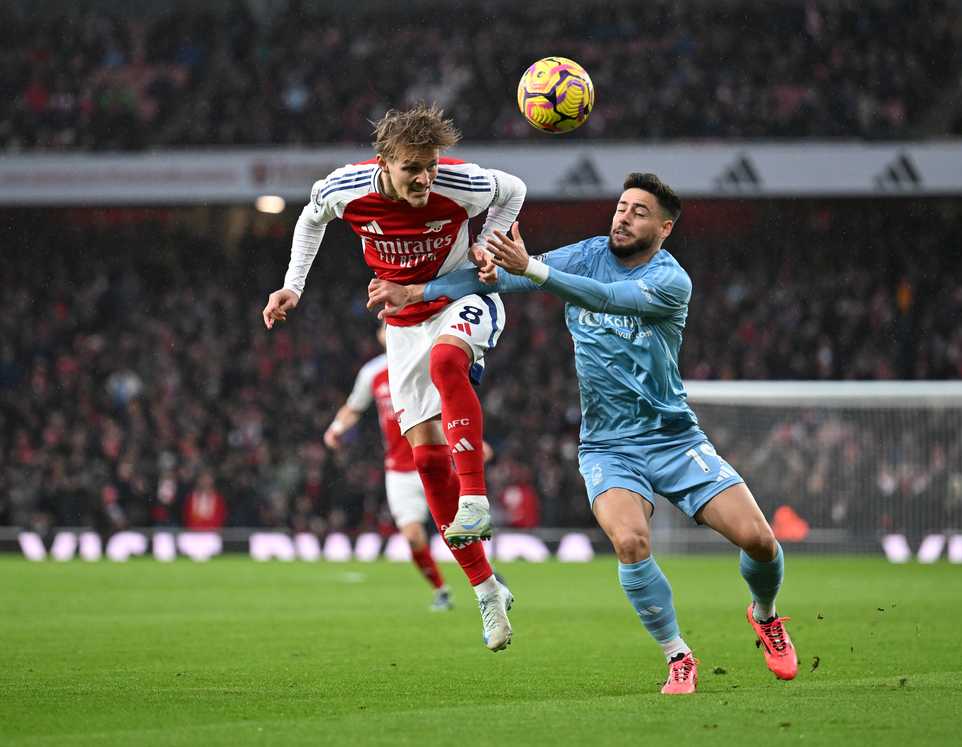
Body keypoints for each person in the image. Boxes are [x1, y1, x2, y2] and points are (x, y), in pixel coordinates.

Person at [369, 173, 797, 692]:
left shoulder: (671, 279)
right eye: (621, 206)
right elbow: (497, 279)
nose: (624, 216)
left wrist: (536, 269)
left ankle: (766, 615)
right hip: (608, 446)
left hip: (674, 438)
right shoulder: (586, 253)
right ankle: (677, 655)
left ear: (664, 228)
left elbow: (607, 298)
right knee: (631, 542)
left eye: (639, 211)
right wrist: (420, 289)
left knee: (759, 540)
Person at [262, 104, 525, 652]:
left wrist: (488, 243)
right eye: (411, 168)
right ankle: (486, 589)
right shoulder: (346, 188)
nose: (424, 178)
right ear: (385, 162)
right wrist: (293, 287)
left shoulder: (460, 182)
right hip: (402, 323)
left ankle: (475, 498)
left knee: (449, 361)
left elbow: (515, 189)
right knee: (427, 459)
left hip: (461, 299)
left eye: (429, 166)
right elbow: (310, 219)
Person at [324, 324, 452, 612]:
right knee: (412, 535)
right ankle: (441, 590)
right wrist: (336, 428)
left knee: (459, 528)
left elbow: (450, 404)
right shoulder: (372, 373)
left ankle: (488, 577)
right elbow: (354, 407)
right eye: (384, 326)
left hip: (436, 458)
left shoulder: (425, 358)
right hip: (399, 469)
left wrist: (471, 440)